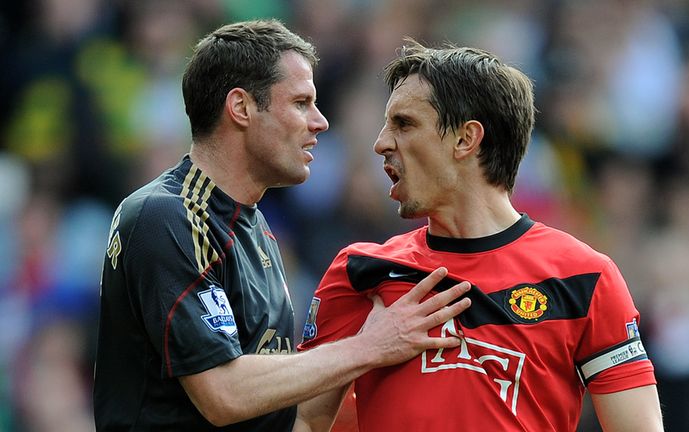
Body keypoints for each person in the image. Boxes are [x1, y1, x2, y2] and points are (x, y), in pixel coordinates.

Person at [92, 20, 472, 431]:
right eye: (300, 103)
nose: (320, 122)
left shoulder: (258, 232)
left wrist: (368, 332)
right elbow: (224, 393)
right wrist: (369, 345)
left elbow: (294, 423)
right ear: (241, 108)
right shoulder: (165, 215)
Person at [295, 40, 664, 432]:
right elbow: (307, 421)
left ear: (465, 139)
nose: (381, 143)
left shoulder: (584, 277)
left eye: (404, 124)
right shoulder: (360, 271)